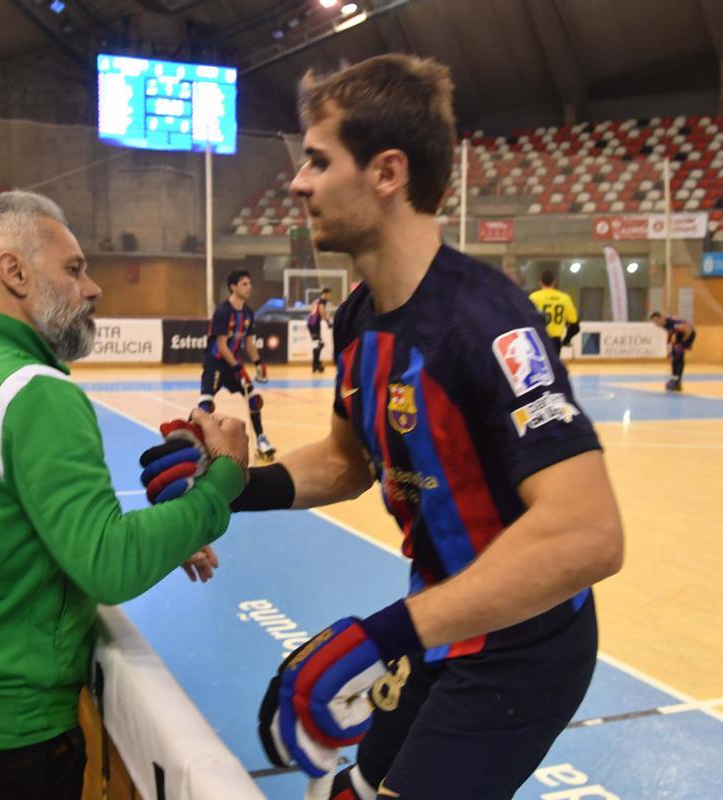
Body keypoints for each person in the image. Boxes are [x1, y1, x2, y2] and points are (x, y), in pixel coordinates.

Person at [222, 55, 623, 798]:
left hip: (522, 645)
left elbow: (587, 532)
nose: (299, 182)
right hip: (440, 623)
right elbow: (346, 465)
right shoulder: (359, 317)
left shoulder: (484, 320)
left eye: (318, 160)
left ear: (387, 173)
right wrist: (229, 490)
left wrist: (383, 638)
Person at [0, 191, 249, 800]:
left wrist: (171, 536)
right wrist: (222, 483)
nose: (93, 288)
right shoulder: (37, 391)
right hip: (9, 735)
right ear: (16, 273)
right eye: (75, 268)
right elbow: (108, 563)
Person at [199, 269, 276, 460]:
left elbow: (249, 343)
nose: (248, 287)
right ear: (233, 287)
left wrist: (258, 363)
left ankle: (261, 440)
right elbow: (221, 345)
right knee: (206, 406)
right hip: (215, 363)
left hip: (234, 364)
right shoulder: (223, 311)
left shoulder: (248, 313)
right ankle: (193, 444)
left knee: (254, 399)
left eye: (249, 283)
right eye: (244, 284)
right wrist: (237, 367)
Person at [529, 269, 580, 356]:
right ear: (554, 281)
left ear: (541, 282)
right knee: (554, 367)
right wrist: (566, 339)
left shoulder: (533, 297)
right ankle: (566, 342)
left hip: (538, 337)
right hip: (555, 340)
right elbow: (573, 320)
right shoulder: (564, 298)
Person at [650, 311, 696, 391]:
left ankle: (678, 380)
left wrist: (683, 344)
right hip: (680, 334)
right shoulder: (663, 324)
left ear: (661, 318)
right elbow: (670, 331)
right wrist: (668, 344)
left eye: (656, 320)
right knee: (674, 356)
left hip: (689, 333)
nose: (656, 323)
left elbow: (687, 329)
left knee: (679, 355)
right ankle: (674, 378)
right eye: (654, 322)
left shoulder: (673, 322)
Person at [307, 286, 333, 372]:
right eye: (329, 295)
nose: (330, 296)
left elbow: (312, 310)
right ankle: (316, 363)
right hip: (314, 324)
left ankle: (316, 364)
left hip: (312, 323)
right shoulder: (322, 301)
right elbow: (322, 312)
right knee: (319, 343)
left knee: (318, 343)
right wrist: (328, 322)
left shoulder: (316, 300)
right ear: (325, 294)